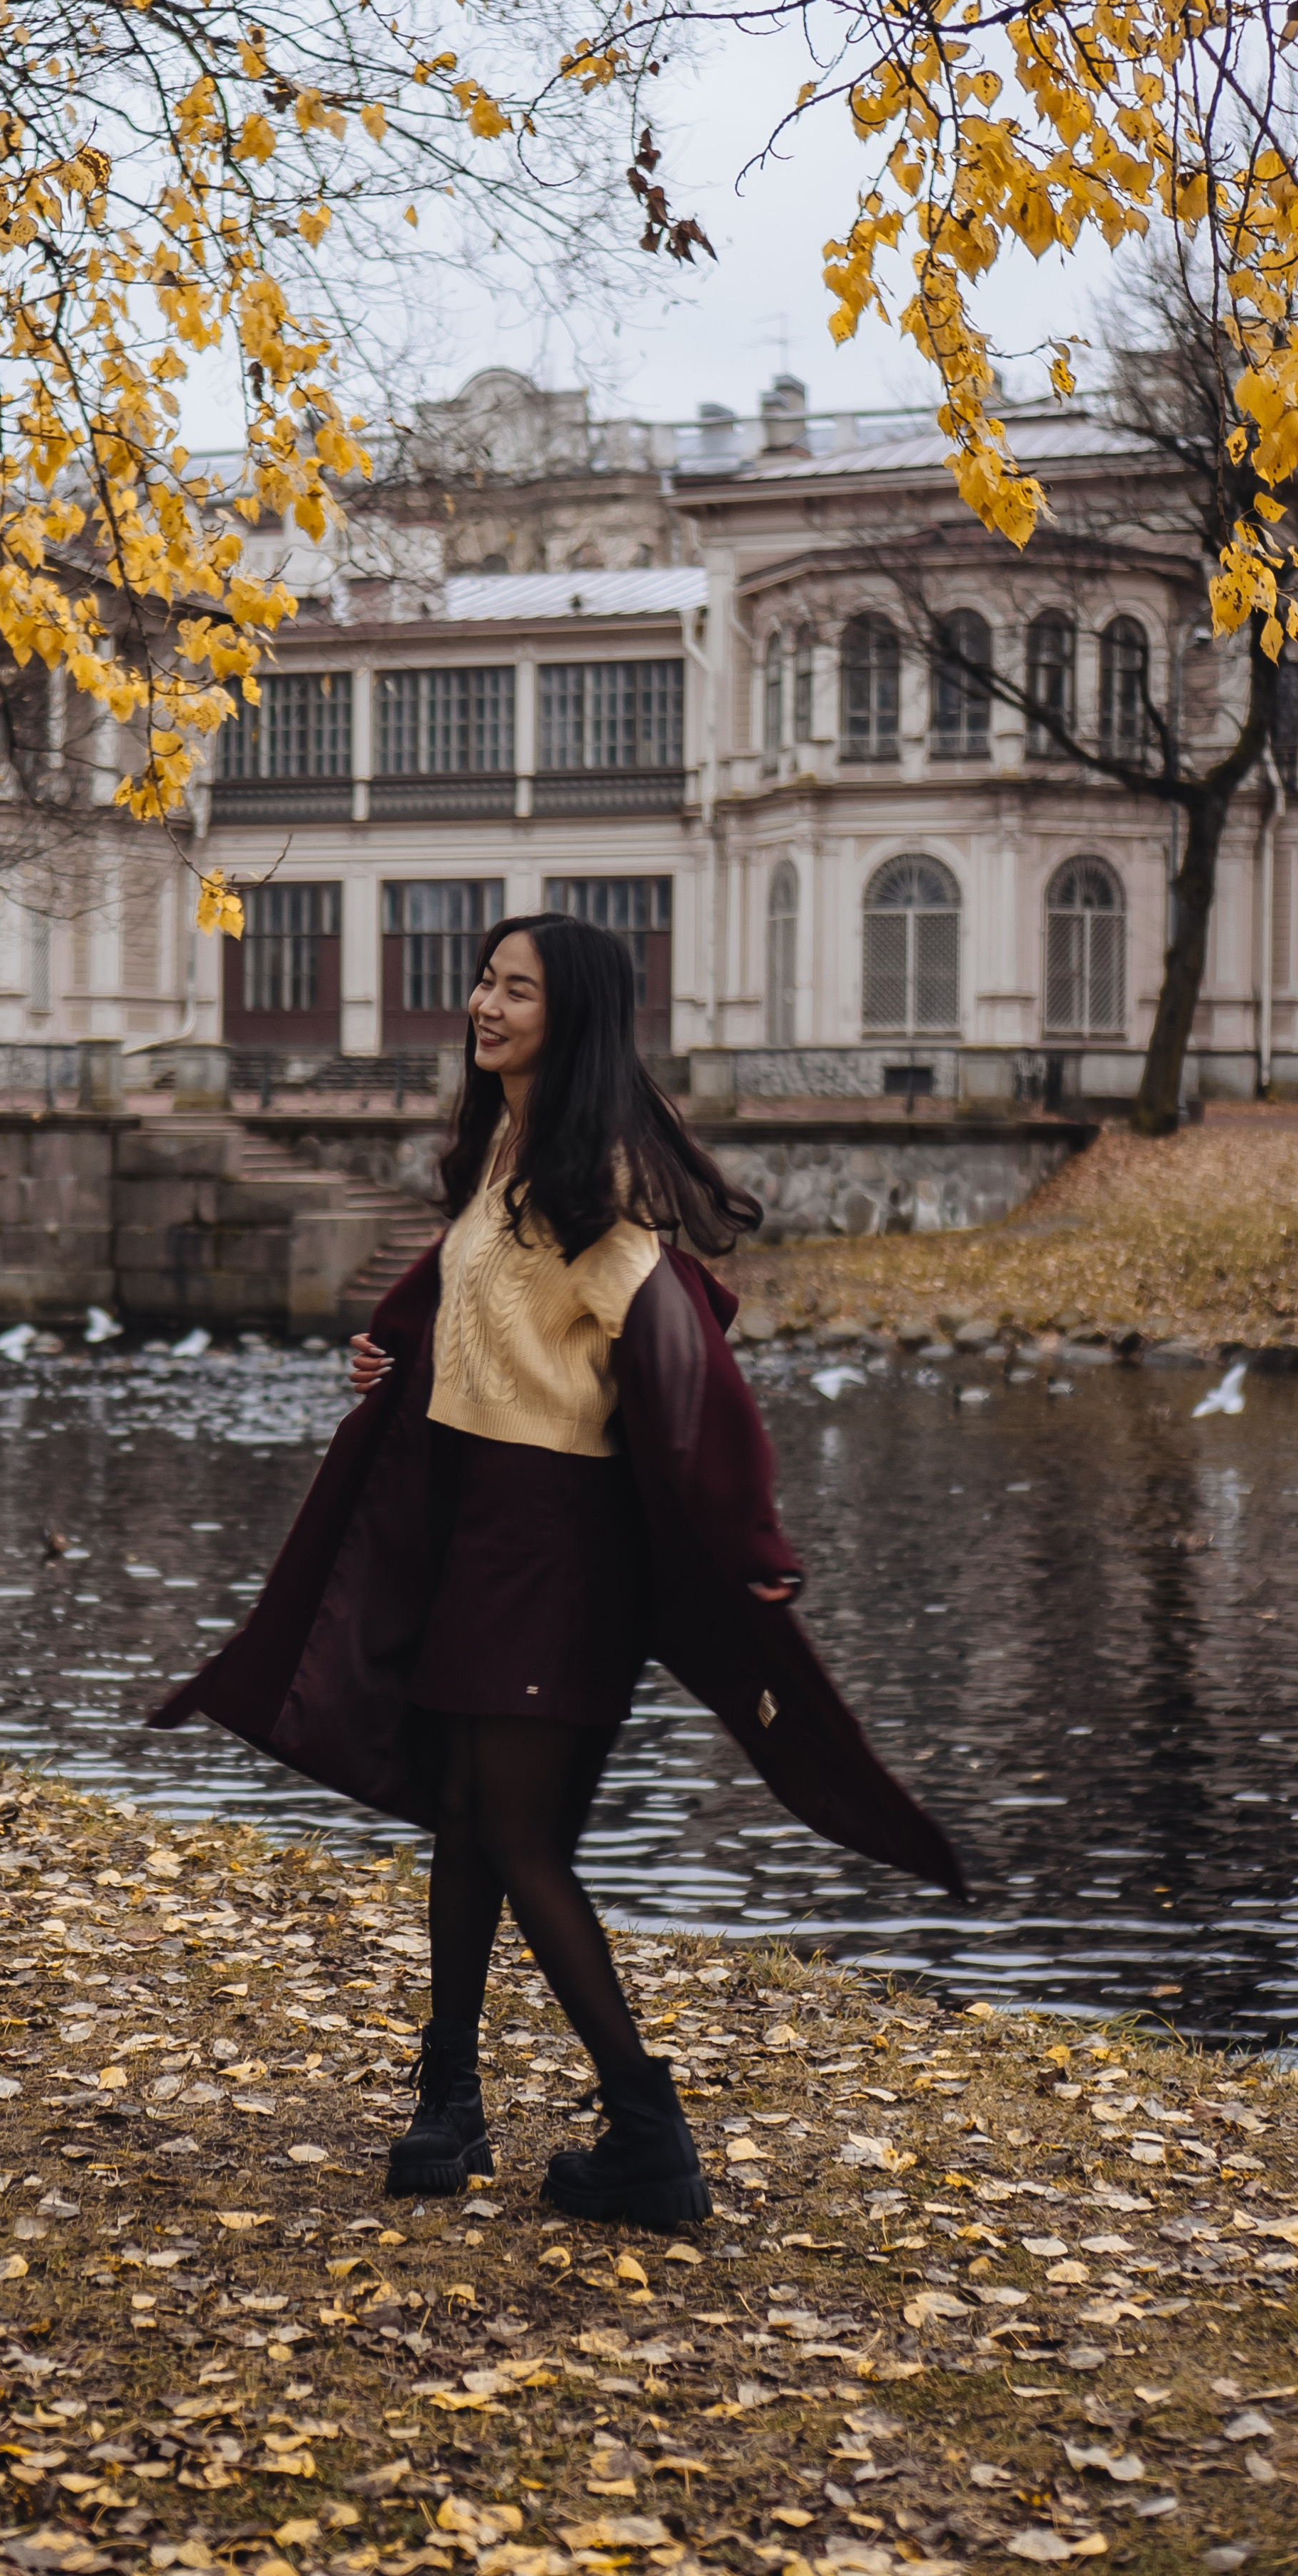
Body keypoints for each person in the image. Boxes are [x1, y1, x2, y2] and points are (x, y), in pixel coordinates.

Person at [151, 912, 962, 2231]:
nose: (484, 1003)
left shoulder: (597, 1184)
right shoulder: (508, 1152)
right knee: (466, 1822)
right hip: (482, 1528)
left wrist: (750, 1542)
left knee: (523, 1839)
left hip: (560, 1548)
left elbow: (684, 1350)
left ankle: (648, 2132)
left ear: (569, 1015)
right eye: (483, 980)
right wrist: (395, 1358)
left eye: (515, 989)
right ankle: (449, 2099)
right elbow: (471, 1304)